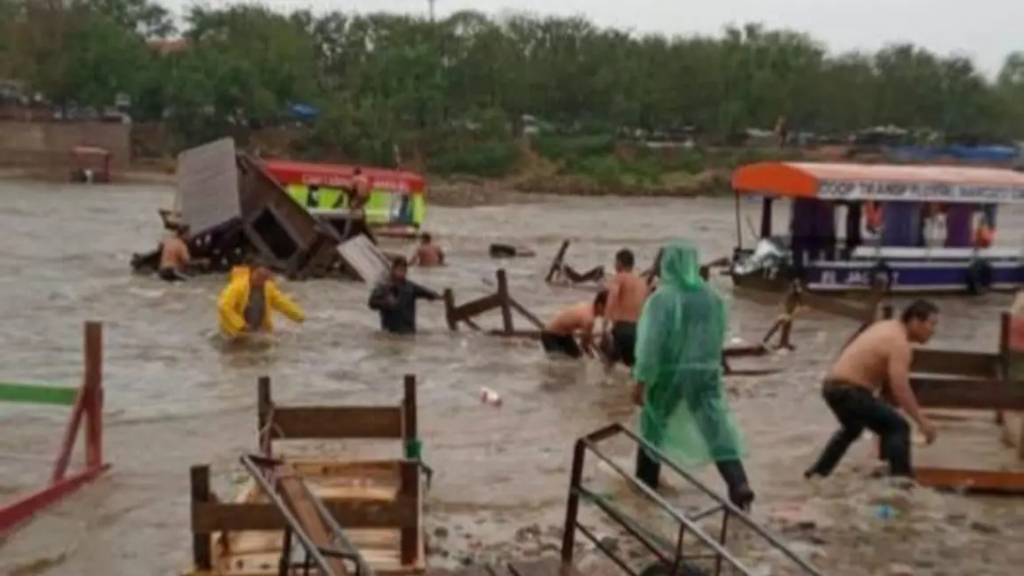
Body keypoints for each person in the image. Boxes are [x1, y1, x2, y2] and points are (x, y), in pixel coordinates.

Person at [631, 241, 754, 509]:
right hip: (705, 371)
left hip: (671, 373)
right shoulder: (712, 297)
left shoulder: (662, 299)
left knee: (653, 424)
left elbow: (651, 344)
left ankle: (645, 487)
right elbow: (718, 334)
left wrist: (641, 381)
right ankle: (739, 484)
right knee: (716, 428)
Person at [804, 299, 939, 480]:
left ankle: (817, 473)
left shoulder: (885, 326)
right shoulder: (900, 344)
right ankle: (901, 483)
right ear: (915, 321)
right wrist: (922, 422)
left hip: (831, 387)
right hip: (850, 390)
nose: (933, 330)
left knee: (853, 428)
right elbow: (900, 387)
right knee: (899, 427)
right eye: (932, 324)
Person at [217, 260, 305, 340]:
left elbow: (281, 302)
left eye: (264, 276)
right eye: (258, 275)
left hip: (257, 329)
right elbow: (224, 306)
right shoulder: (237, 287)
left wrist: (298, 316)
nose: (260, 278)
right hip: (236, 331)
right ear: (251, 273)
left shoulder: (268, 288)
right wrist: (240, 325)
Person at [368, 256, 440, 334]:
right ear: (393, 270)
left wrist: (440, 297)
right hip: (390, 332)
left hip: (409, 331)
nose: (401, 273)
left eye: (404, 270)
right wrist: (385, 303)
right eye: (399, 270)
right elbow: (371, 303)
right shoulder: (384, 287)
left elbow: (428, 294)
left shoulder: (410, 287)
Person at [602, 249, 647, 368]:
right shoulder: (642, 282)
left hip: (622, 327)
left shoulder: (620, 277)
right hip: (638, 328)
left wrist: (605, 323)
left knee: (608, 364)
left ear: (619, 264)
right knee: (632, 365)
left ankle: (603, 386)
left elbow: (613, 297)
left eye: (615, 262)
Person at [540, 291, 607, 359]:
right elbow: (584, 345)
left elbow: (586, 342)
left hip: (565, 334)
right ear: (600, 305)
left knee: (575, 358)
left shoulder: (588, 305)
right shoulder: (588, 319)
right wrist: (593, 358)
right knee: (558, 361)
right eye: (607, 309)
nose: (608, 312)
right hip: (551, 334)